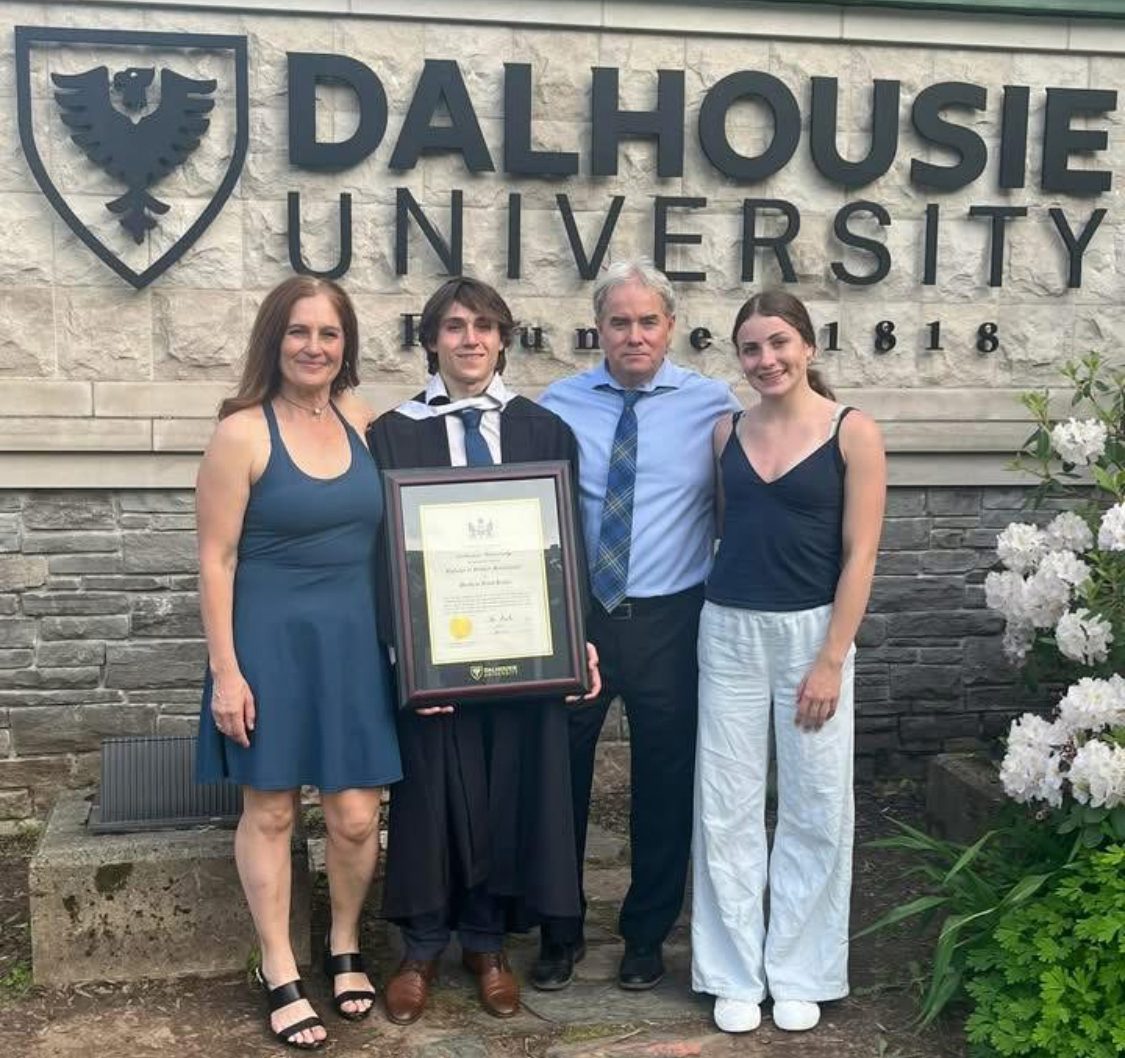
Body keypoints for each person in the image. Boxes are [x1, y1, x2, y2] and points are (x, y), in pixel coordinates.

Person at [367, 276, 600, 1025]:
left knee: (508, 793)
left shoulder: (542, 431)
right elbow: (380, 556)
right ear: (430, 339)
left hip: (524, 657)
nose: (470, 339)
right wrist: (403, 656)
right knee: (430, 796)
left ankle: (488, 944)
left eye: (484, 326)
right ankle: (421, 946)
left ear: (503, 338)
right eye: (454, 326)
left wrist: (576, 641)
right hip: (437, 661)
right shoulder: (391, 435)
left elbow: (566, 546)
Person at [195, 276, 401, 1050]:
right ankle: (279, 967)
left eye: (329, 334)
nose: (314, 347)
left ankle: (343, 944)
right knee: (272, 810)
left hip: (352, 646)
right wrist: (226, 671)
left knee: (354, 817)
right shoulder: (242, 432)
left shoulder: (361, 418)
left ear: (345, 345)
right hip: (268, 647)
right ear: (273, 340)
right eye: (299, 333)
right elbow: (215, 560)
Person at [537, 259, 741, 991]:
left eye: (646, 321)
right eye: (618, 322)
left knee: (664, 782)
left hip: (670, 620)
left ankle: (646, 936)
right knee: (558, 779)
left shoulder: (711, 404)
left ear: (669, 326)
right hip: (580, 619)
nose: (633, 334)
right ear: (598, 329)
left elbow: (731, 504)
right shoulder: (556, 404)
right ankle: (557, 933)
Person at [691, 291, 885, 1034]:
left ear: (805, 344)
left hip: (813, 635)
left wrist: (831, 658)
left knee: (814, 806)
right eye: (750, 348)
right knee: (726, 807)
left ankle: (802, 970)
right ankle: (733, 972)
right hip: (729, 631)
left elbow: (860, 552)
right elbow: (724, 530)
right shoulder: (724, 433)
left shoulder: (851, 431)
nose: (765, 359)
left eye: (777, 343)